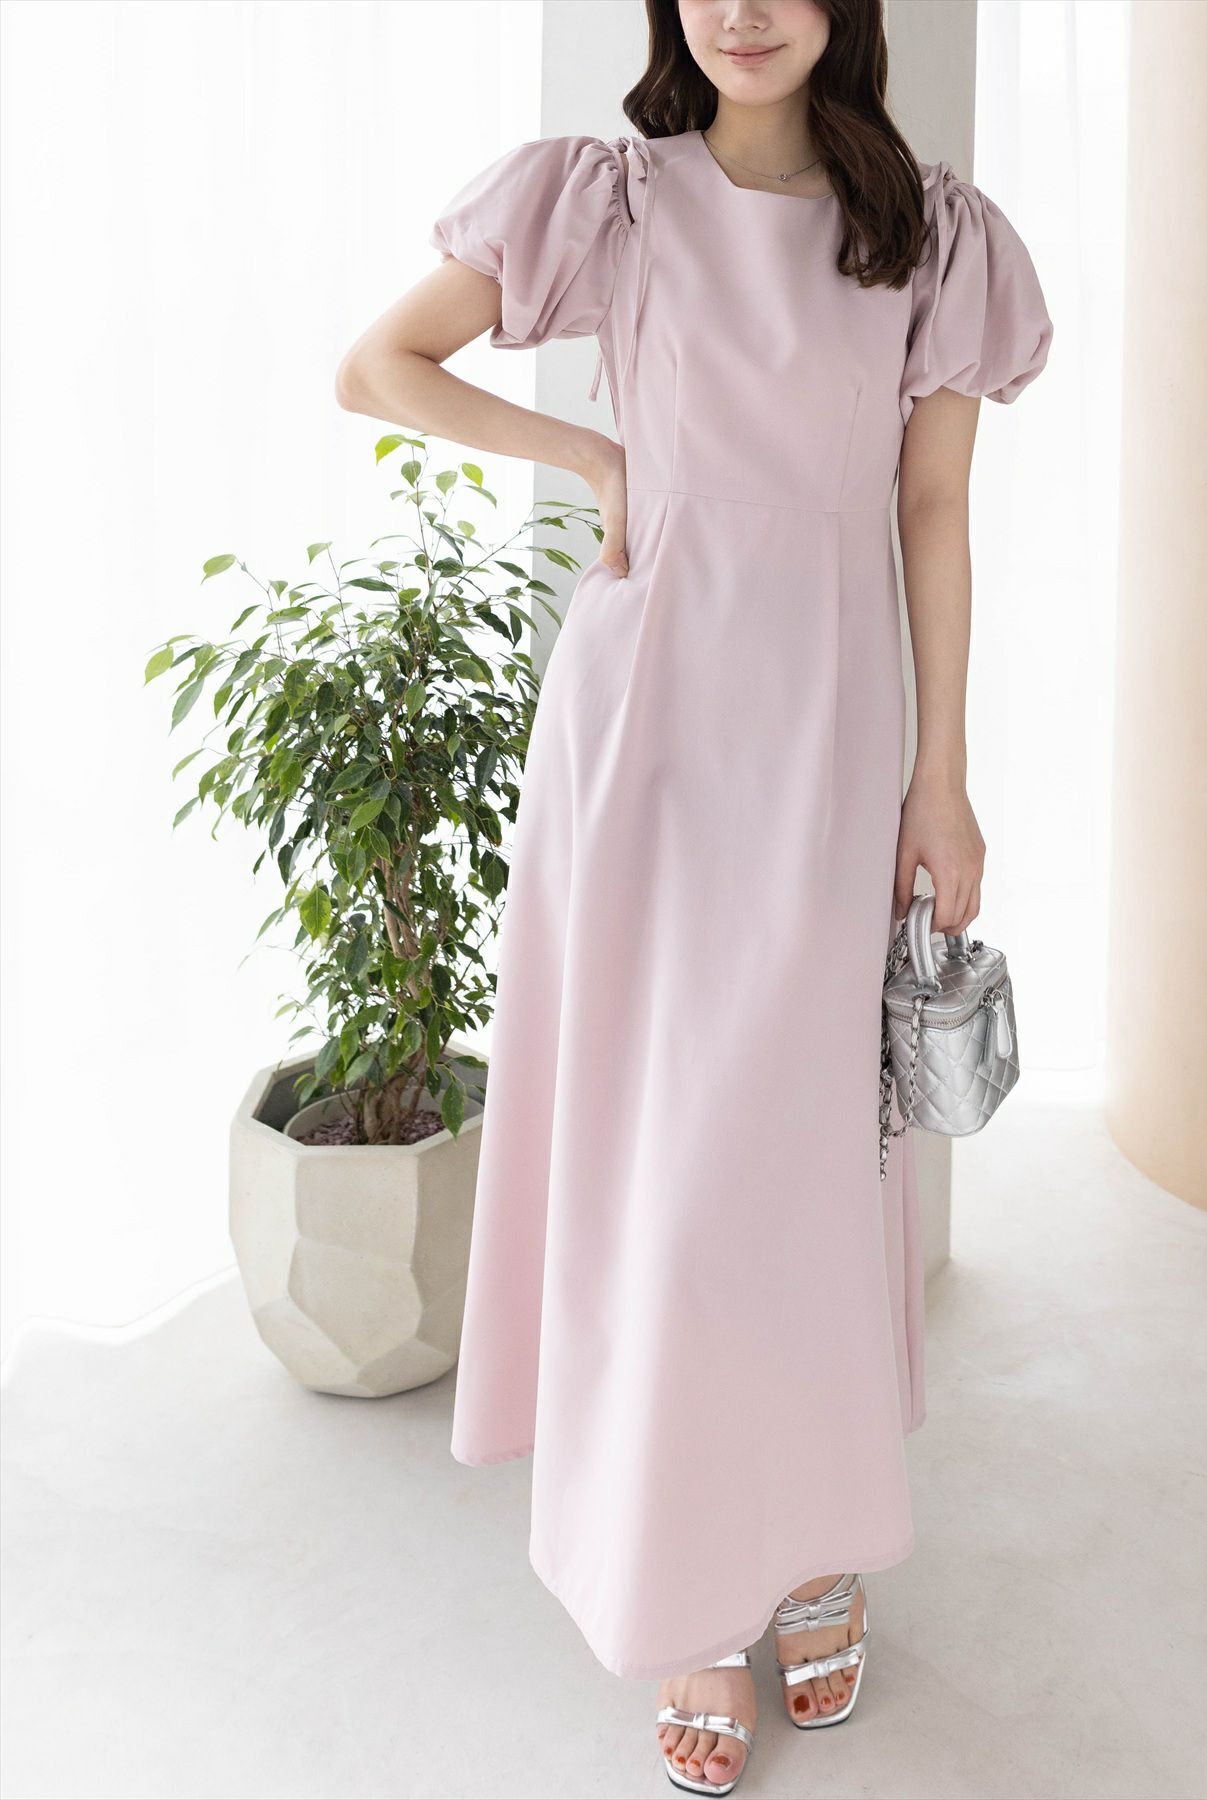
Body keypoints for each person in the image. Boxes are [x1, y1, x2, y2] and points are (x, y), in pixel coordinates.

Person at [335, 0, 1051, 1790]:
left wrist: (944, 774)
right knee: (669, 1164)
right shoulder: (610, 200)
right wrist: (593, 458)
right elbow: (379, 365)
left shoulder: (931, 234)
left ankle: (811, 1544)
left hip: (828, 728)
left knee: (799, 1162)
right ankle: (683, 1594)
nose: (743, 9)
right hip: (646, 727)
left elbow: (935, 508)